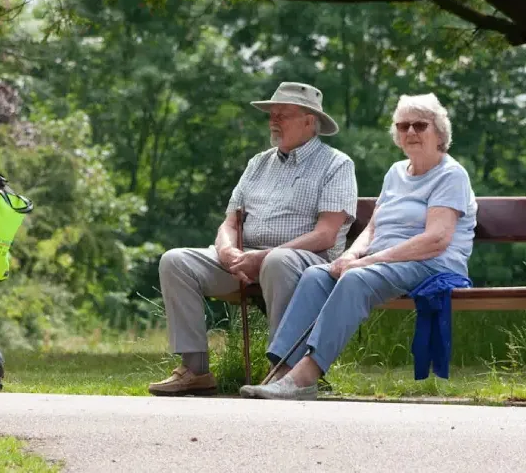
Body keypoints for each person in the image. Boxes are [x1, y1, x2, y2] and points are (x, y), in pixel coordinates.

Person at [239, 92, 477, 400]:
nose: (411, 133)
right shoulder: (395, 173)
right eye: (403, 126)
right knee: (316, 276)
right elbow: (375, 226)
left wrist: (365, 263)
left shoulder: (450, 174)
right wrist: (351, 254)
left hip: (432, 264)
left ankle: (305, 378)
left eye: (420, 125)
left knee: (354, 278)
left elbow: (436, 240)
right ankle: (282, 371)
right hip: (386, 262)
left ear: (439, 133)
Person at [148, 82, 358, 396]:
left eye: (283, 114)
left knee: (278, 260)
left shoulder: (336, 164)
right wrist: (229, 250)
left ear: (309, 121)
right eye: (272, 114)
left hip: (306, 262)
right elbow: (231, 221)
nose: (274, 121)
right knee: (176, 261)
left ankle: (284, 371)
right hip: (248, 260)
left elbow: (326, 235)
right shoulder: (259, 163)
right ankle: (195, 370)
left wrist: (263, 256)